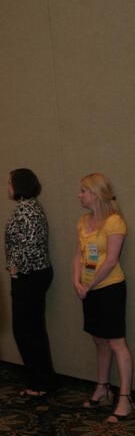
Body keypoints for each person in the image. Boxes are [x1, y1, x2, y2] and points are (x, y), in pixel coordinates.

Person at [73, 173, 133, 422]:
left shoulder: (114, 222)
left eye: (83, 191)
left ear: (96, 194)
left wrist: (90, 285)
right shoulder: (83, 221)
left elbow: (110, 261)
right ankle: (102, 387)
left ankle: (125, 398)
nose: (80, 195)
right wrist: (76, 281)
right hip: (88, 290)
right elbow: (78, 254)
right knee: (99, 340)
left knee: (116, 342)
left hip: (109, 289)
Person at [5, 168, 56, 397]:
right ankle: (41, 381)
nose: (7, 187)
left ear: (19, 185)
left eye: (9, 183)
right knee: (33, 331)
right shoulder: (33, 206)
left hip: (29, 277)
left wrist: (15, 268)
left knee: (26, 332)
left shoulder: (25, 210)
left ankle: (39, 384)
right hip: (37, 275)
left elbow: (28, 245)